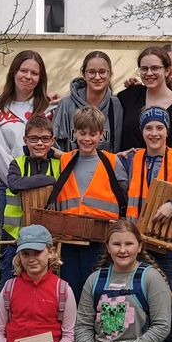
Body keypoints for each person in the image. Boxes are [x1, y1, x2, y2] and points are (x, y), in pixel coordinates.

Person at [76, 221, 172, 342]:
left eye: (129, 244)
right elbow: (83, 325)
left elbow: (162, 326)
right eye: (116, 244)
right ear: (107, 247)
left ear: (139, 246)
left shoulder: (151, 278)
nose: (122, 250)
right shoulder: (95, 280)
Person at [120, 107, 172, 323]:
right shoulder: (132, 159)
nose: (154, 133)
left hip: (167, 243)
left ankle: (166, 341)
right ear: (141, 131)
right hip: (136, 240)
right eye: (148, 128)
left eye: (160, 127)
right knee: (137, 293)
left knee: (166, 295)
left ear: (168, 131)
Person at [51, 106, 129, 295]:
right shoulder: (65, 160)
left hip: (101, 238)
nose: (87, 139)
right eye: (82, 133)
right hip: (69, 237)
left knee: (97, 289)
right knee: (70, 289)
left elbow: (125, 194)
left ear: (101, 134)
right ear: (74, 133)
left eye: (92, 134)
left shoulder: (112, 162)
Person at [1, 114, 62, 284]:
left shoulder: (59, 164)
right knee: (9, 282)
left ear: (52, 140)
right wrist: (49, 180)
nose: (39, 143)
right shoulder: (17, 163)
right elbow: (14, 184)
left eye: (45, 139)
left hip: (48, 240)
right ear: (25, 140)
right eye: (34, 138)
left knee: (47, 284)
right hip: (16, 238)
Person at [0, 50, 53, 188]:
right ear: (13, 72)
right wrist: (17, 182)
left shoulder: (50, 107)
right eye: (23, 71)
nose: (28, 76)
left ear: (41, 78)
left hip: (46, 185)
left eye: (34, 73)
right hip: (11, 185)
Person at [117, 46, 172, 154]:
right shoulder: (129, 96)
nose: (149, 73)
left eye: (155, 68)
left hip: (164, 164)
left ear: (167, 70)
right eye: (144, 69)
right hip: (128, 164)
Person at [54, 51, 124, 153]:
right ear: (84, 74)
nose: (97, 77)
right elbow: (55, 146)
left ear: (110, 74)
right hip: (71, 163)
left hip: (106, 163)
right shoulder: (66, 105)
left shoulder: (117, 106)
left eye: (102, 72)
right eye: (91, 72)